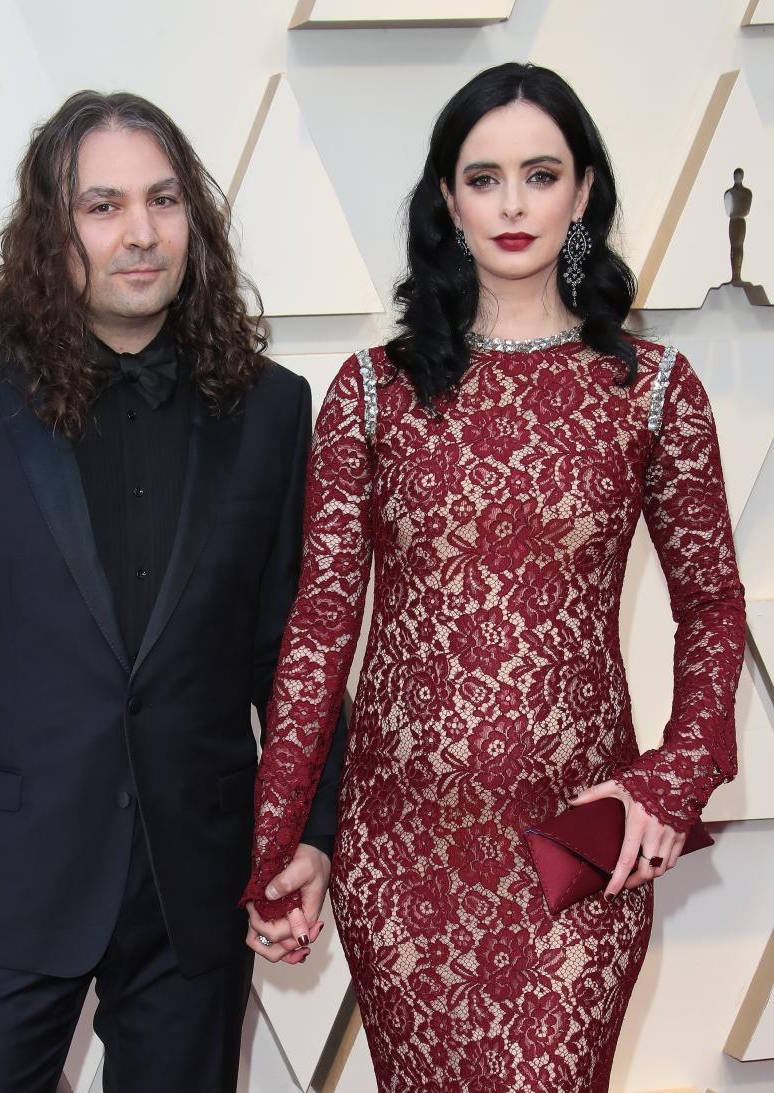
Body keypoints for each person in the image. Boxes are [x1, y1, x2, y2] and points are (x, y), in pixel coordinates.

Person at [242, 62, 745, 1091]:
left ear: (585, 190)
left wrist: (672, 778)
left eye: (541, 173)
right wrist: (277, 844)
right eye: (484, 177)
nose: (513, 204)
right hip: (402, 857)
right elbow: (319, 626)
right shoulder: (372, 394)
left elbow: (711, 608)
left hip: (577, 842)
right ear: (446, 198)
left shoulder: (652, 392)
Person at [0, 90, 342, 1093]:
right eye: (103, 205)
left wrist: (310, 833)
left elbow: (290, 653)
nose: (141, 234)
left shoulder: (271, 409)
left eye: (163, 202)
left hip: (194, 889)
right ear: (53, 226)